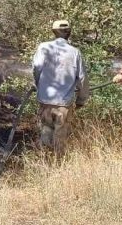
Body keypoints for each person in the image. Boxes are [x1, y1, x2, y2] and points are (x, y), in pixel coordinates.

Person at [31, 20, 88, 157]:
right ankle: (57, 163)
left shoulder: (43, 48)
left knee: (45, 132)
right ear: (69, 33)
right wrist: (81, 99)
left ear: (53, 32)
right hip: (64, 104)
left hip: (45, 100)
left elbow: (36, 69)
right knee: (60, 137)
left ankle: (44, 160)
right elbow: (82, 78)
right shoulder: (75, 52)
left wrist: (38, 85)